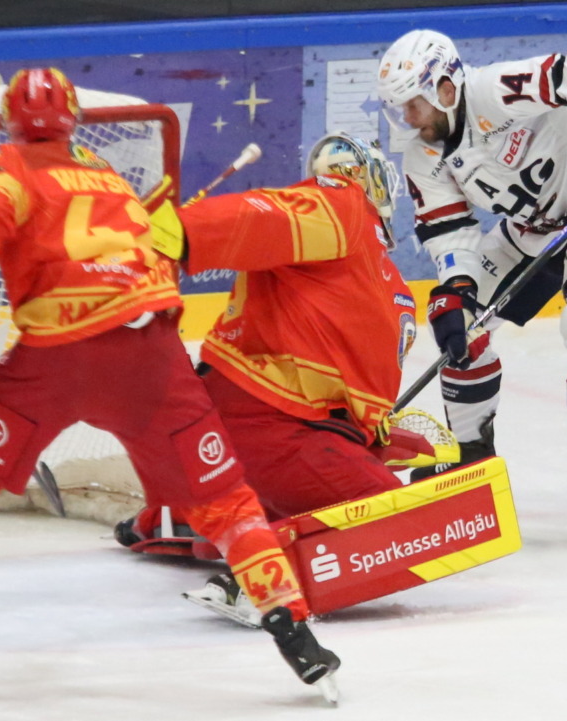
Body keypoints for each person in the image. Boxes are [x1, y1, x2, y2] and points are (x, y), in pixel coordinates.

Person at [0, 67, 339, 701]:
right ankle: (296, 635)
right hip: (151, 355)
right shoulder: (106, 175)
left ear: (9, 120)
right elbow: (151, 259)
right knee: (227, 503)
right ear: (73, 119)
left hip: (57, 358)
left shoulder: (7, 169)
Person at [116, 133, 452, 617]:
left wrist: (373, 435)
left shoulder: (376, 270)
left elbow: (343, 374)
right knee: (395, 518)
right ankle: (258, 581)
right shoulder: (342, 206)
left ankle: (188, 518)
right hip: (266, 423)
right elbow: (258, 216)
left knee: (342, 481)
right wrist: (182, 233)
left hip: (253, 429)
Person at [375, 30, 567, 544]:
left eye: (412, 105)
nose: (408, 120)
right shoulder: (422, 155)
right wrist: (457, 287)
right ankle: (472, 466)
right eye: (399, 109)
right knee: (459, 326)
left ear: (444, 88)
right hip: (528, 233)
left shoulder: (495, 91)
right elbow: (450, 232)